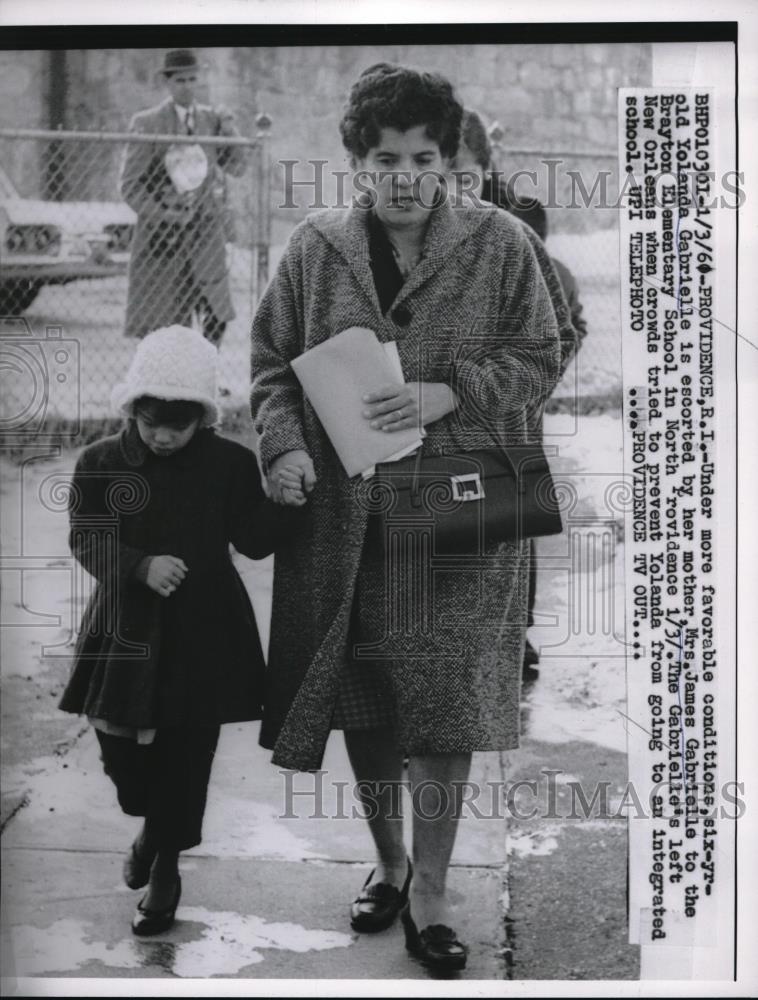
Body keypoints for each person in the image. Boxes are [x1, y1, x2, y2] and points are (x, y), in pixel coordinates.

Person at [250, 64, 561, 971]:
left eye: (425, 158)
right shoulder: (315, 247)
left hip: (458, 527)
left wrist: (445, 393)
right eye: (385, 159)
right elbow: (271, 359)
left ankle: (431, 890)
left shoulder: (502, 243)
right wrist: (284, 447)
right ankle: (388, 864)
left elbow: (541, 358)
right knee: (367, 704)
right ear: (357, 159)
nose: (406, 178)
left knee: (444, 710)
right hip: (342, 525)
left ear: (450, 158)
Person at [58, 325, 302, 936]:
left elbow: (251, 537)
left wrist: (285, 503)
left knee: (189, 753)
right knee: (122, 750)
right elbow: (86, 536)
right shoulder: (101, 462)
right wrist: (139, 564)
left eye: (178, 423)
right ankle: (148, 823)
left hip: (206, 630)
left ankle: (165, 869)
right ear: (131, 410)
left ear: (203, 416)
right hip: (126, 632)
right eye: (149, 422)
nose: (162, 436)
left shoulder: (228, 464)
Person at [453, 109, 589, 679]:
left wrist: (526, 384)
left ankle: (515, 634)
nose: (450, 187)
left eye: (463, 173)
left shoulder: (515, 222)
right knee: (448, 516)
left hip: (509, 403)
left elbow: (566, 324)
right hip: (445, 408)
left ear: (486, 167)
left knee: (514, 521)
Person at [120, 49, 247, 344]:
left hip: (205, 232)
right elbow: (130, 187)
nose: (188, 86)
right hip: (162, 237)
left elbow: (238, 166)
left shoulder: (211, 121)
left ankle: (209, 375)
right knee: (167, 318)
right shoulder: (147, 123)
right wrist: (166, 213)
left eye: (192, 79)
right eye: (180, 80)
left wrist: (230, 130)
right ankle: (169, 383)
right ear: (167, 82)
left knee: (215, 309)